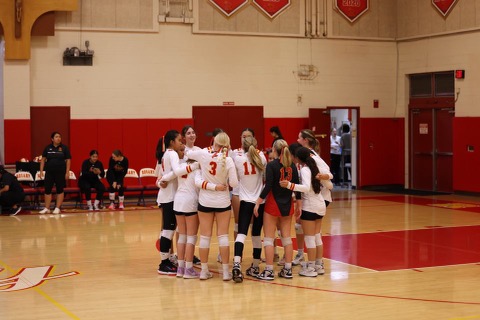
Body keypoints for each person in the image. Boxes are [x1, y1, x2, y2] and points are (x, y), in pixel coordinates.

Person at [187, 132, 239, 281]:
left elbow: (188, 153)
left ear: (214, 141)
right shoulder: (228, 160)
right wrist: (222, 183)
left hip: (205, 201)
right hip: (222, 201)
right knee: (223, 236)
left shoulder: (203, 153)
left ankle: (204, 271)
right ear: (227, 145)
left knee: (205, 236)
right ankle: (226, 273)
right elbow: (234, 184)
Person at [254, 139, 301, 281]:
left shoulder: (272, 165)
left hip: (273, 205)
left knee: (268, 238)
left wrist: (258, 202)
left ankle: (268, 271)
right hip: (288, 205)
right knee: (286, 237)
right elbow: (297, 187)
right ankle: (287, 269)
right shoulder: (293, 166)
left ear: (274, 149)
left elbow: (268, 186)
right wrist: (299, 204)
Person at [280, 147, 326, 277]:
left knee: (310, 238)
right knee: (317, 237)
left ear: (298, 158)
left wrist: (290, 185)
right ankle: (318, 265)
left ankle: (310, 268)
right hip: (320, 204)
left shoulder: (305, 169)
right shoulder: (314, 167)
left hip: (310, 206)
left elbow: (305, 188)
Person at [159, 143, 201, 278]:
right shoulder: (196, 168)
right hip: (190, 202)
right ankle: (188, 269)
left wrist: (161, 181)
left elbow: (167, 176)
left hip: (177, 202)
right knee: (191, 237)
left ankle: (180, 268)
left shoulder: (180, 167)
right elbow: (200, 185)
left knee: (182, 236)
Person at [297, 129, 333, 274]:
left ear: (306, 140)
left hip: (319, 198)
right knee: (313, 233)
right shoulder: (307, 160)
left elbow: (330, 175)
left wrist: (322, 177)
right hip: (317, 198)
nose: (298, 140)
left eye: (299, 138)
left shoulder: (313, 157)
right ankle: (317, 263)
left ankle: (312, 264)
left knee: (311, 234)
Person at [232, 135, 267, 283]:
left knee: (241, 233)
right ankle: (255, 265)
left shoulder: (238, 158)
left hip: (245, 200)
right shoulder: (262, 157)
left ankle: (237, 264)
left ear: (242, 145)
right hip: (260, 201)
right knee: (256, 234)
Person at [156, 130, 184, 275]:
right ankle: (163, 263)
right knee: (168, 230)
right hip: (169, 198)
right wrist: (190, 167)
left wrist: (163, 179)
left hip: (166, 196)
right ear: (172, 142)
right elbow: (178, 171)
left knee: (168, 230)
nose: (181, 142)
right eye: (179, 140)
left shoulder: (165, 154)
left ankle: (166, 260)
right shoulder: (172, 153)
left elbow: (161, 176)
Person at [39, 132, 72, 215]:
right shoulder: (47, 148)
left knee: (60, 189)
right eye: (56, 137)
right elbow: (43, 159)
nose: (59, 138)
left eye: (60, 137)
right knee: (47, 190)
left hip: (60, 172)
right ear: (52, 139)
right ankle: (47, 208)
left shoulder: (64, 148)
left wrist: (67, 172)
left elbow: (68, 160)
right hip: (49, 172)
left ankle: (57, 207)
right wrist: (41, 171)